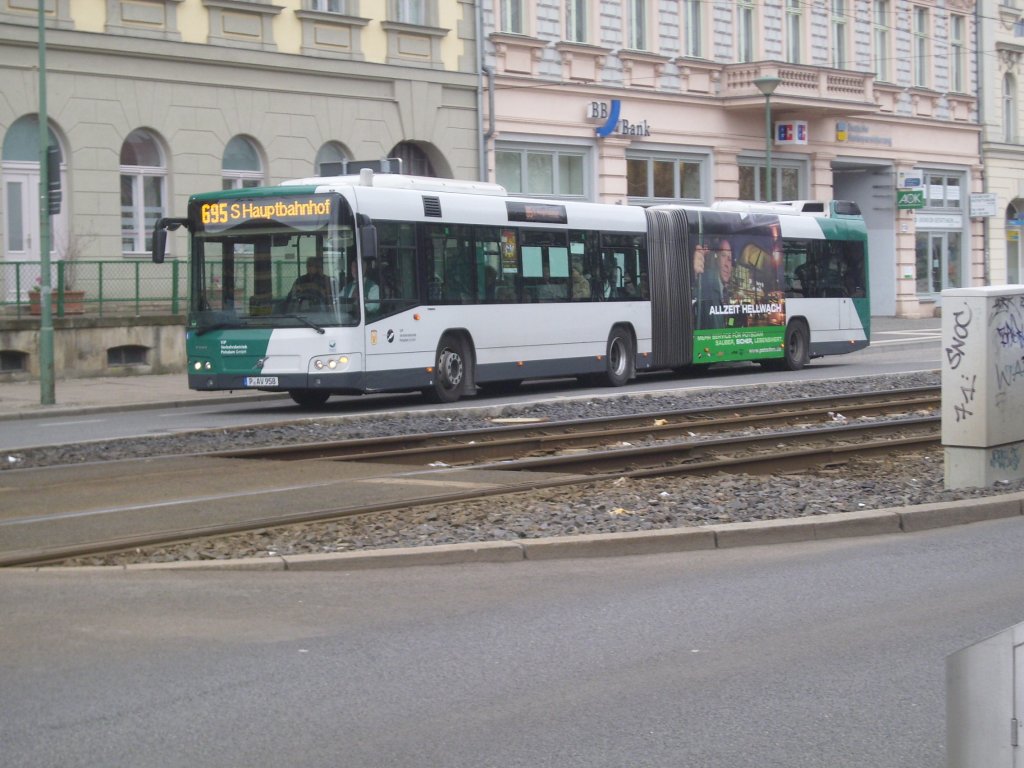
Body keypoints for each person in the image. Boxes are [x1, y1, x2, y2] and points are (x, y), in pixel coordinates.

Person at [692, 237, 737, 329]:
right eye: (723, 255)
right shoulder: (705, 284)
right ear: (715, 257)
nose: (727, 264)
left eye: (730, 259)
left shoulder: (725, 292)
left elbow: (727, 320)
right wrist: (694, 276)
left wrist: (731, 326)